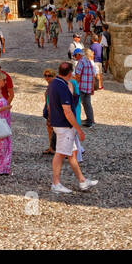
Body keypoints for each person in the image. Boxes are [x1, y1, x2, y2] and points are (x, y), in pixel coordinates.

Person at [48, 61, 98, 193]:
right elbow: (68, 111)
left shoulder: (55, 83)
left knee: (72, 154)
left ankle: (82, 181)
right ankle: (56, 184)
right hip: (64, 126)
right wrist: (79, 129)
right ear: (70, 73)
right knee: (60, 154)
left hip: (60, 124)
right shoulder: (62, 86)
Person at [73, 47, 98, 128]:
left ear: (78, 55)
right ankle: (90, 121)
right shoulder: (89, 61)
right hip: (88, 87)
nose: (75, 58)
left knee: (76, 104)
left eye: (75, 56)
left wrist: (74, 85)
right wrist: (92, 87)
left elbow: (78, 76)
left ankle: (75, 121)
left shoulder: (81, 62)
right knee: (87, 104)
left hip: (81, 87)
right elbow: (93, 75)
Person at [40, 69, 57, 155]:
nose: (47, 77)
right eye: (45, 75)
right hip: (49, 109)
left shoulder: (54, 86)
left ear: (54, 76)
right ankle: (51, 147)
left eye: (49, 76)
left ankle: (54, 148)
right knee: (50, 129)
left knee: (54, 130)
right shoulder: (50, 85)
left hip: (52, 111)